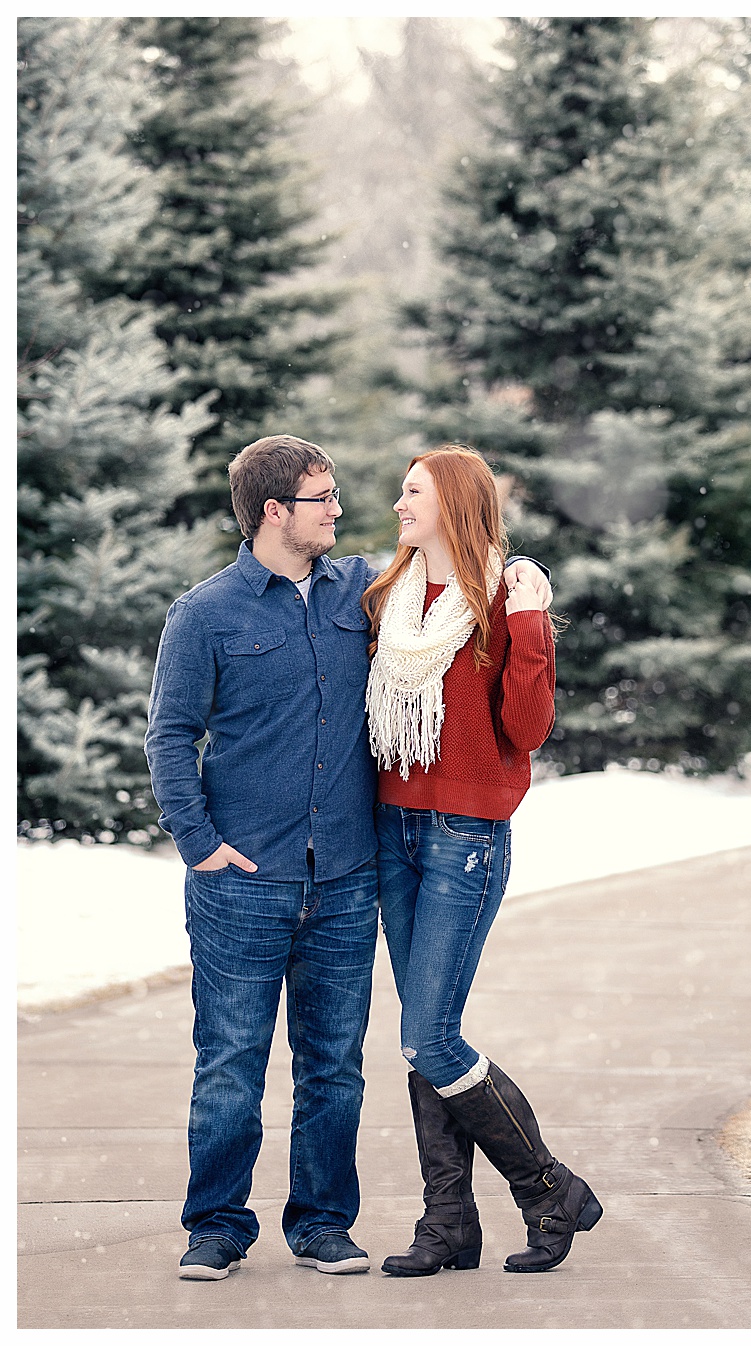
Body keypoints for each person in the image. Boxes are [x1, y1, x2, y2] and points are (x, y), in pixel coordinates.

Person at [146, 434, 544, 1282]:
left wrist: (521, 583)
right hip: (243, 881)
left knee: (333, 1067)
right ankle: (216, 1225)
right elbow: (171, 736)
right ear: (272, 512)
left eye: (335, 495)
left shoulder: (366, 591)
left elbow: (453, 572)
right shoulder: (205, 614)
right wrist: (199, 843)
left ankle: (324, 1223)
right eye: (320, 498)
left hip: (347, 878)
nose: (339, 509)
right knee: (230, 1063)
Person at [365, 446, 601, 1277]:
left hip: (465, 838)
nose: (399, 505)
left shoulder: (506, 595)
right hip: (393, 835)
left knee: (429, 1035)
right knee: (426, 1038)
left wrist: (532, 627)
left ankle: (550, 1190)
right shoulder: (387, 597)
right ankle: (451, 1226)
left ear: (454, 503)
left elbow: (527, 728)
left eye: (413, 493)